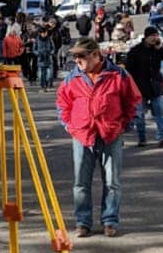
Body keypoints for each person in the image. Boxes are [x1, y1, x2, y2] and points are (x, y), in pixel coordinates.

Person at [56, 37, 141, 238]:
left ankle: (109, 220)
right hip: (82, 134)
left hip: (110, 134)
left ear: (96, 55)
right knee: (80, 182)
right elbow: (62, 103)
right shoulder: (72, 77)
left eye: (81, 56)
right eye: (75, 56)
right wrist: (68, 125)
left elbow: (133, 100)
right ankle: (82, 222)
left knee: (112, 181)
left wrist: (125, 125)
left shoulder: (118, 74)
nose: (77, 60)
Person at [124, 26, 163, 148]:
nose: (154, 38)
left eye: (156, 36)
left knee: (160, 113)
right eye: (152, 36)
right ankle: (142, 138)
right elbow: (128, 69)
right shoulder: (135, 51)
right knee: (140, 115)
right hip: (140, 88)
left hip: (156, 86)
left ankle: (162, 137)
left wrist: (160, 49)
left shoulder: (157, 49)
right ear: (146, 37)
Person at [34, 26, 55, 92]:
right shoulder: (37, 39)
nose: (44, 34)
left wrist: (51, 53)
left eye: (45, 33)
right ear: (40, 33)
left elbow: (53, 48)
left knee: (50, 74)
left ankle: (48, 85)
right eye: (42, 33)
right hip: (41, 59)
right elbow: (34, 49)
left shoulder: (49, 39)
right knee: (42, 74)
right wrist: (38, 53)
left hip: (49, 58)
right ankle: (43, 87)